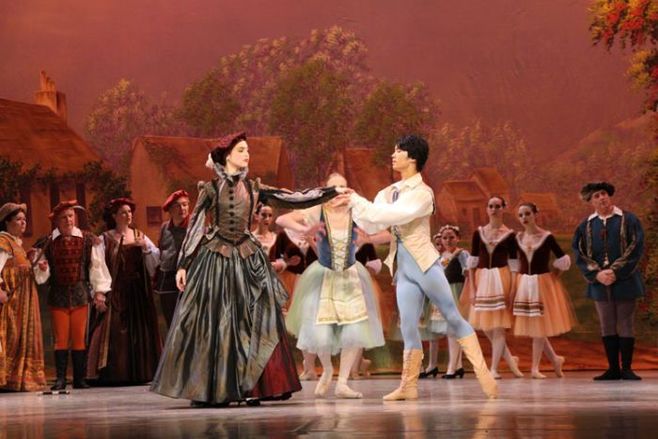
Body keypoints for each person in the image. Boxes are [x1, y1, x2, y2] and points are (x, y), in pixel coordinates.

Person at [150, 132, 343, 407]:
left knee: (255, 320)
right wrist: (184, 264)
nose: (247, 154)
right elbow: (195, 226)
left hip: (247, 257)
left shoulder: (255, 188)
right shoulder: (210, 189)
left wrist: (330, 192)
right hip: (216, 258)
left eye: (248, 150)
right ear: (227, 155)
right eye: (241, 150)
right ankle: (215, 387)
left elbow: (294, 198)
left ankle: (254, 385)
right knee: (217, 322)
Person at [346, 134, 497, 400]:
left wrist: (355, 199)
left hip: (424, 263)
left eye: (398, 151)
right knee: (408, 325)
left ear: (413, 158)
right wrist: (349, 201)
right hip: (404, 268)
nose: (393, 155)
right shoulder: (388, 192)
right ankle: (409, 385)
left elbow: (393, 215)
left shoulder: (423, 193)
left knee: (451, 315)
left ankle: (485, 377)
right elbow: (372, 222)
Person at [281, 173, 385, 399]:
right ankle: (327, 369)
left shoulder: (356, 212)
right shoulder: (317, 210)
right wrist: (304, 230)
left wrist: (369, 239)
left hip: (350, 277)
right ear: (325, 191)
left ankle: (343, 382)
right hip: (324, 276)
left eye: (342, 187)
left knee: (354, 329)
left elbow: (387, 228)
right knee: (319, 330)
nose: (338, 191)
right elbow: (283, 220)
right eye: (333, 187)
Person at [35, 200, 112, 390]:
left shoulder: (87, 240)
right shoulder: (48, 242)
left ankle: (79, 378)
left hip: (80, 294)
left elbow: (96, 267)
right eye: (63, 217)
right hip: (58, 295)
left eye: (70, 216)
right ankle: (61, 379)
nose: (68, 220)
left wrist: (99, 291)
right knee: (61, 338)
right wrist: (43, 268)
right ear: (56, 221)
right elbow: (41, 274)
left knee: (79, 337)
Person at [572, 182, 644, 381]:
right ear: (591, 201)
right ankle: (613, 368)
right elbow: (579, 252)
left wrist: (615, 271)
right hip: (599, 282)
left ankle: (627, 368)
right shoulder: (586, 225)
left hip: (625, 279)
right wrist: (597, 274)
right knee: (607, 324)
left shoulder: (629, 220)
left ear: (609, 195)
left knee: (626, 323)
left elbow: (636, 246)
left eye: (603, 193)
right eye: (596, 196)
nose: (601, 198)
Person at [86, 198, 162, 385]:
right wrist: (100, 292)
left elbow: (154, 261)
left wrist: (145, 248)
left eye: (129, 212)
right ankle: (116, 374)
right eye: (123, 212)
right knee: (113, 330)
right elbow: (98, 265)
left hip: (137, 292)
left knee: (140, 330)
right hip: (116, 290)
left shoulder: (139, 236)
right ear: (114, 216)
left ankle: (141, 373)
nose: (128, 215)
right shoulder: (105, 239)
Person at [461, 196, 524, 379]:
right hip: (482, 279)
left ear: (503, 208)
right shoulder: (478, 233)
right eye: (491, 206)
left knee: (499, 327)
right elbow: (472, 262)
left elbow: (514, 263)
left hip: (501, 278)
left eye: (497, 206)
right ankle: (511, 361)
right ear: (487, 209)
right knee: (485, 325)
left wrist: (513, 288)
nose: (494, 209)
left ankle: (494, 368)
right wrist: (472, 289)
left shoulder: (509, 235)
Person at [512, 203, 577, 378]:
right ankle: (555, 359)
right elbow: (515, 262)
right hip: (524, 283)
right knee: (537, 327)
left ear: (535, 214)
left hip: (542, 283)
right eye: (520, 215)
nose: (524, 218)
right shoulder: (518, 238)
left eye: (527, 214)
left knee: (539, 327)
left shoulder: (546, 237)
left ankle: (534, 368)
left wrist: (554, 276)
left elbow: (563, 258)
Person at [0, 203, 46, 391]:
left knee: (22, 336)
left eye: (24, 219)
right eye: (18, 219)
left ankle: (19, 378)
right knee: (11, 335)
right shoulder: (3, 242)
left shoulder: (17, 244)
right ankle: (7, 377)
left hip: (24, 300)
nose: (23, 222)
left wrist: (39, 267)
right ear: (7, 222)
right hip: (12, 299)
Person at [436, 225, 470, 380]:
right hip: (446, 293)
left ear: (458, 238)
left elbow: (468, 274)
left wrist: (466, 293)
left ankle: (452, 367)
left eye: (451, 237)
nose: (448, 241)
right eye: (445, 238)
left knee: (453, 330)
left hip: (458, 291)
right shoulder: (441, 256)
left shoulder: (462, 254)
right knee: (452, 330)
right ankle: (458, 366)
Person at [155, 190, 190, 329]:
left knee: (186, 322)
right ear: (170, 210)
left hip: (187, 279)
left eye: (185, 204)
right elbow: (161, 248)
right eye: (178, 206)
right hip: (166, 279)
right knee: (169, 320)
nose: (182, 209)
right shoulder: (165, 227)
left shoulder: (195, 228)